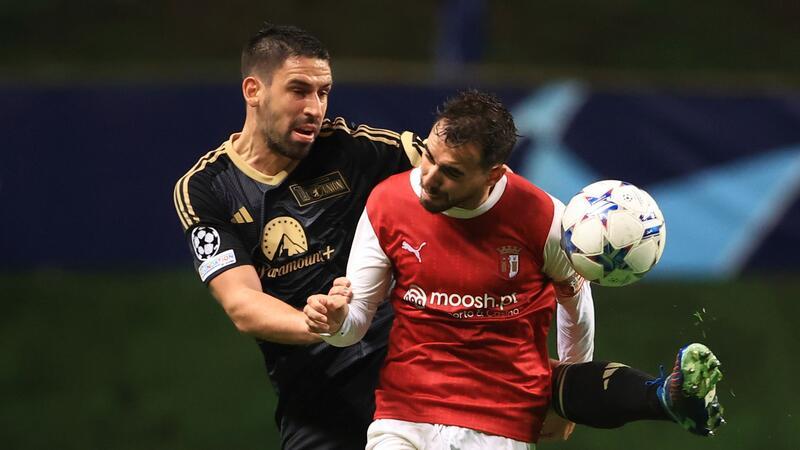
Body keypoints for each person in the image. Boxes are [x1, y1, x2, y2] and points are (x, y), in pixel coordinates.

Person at [304, 90, 725, 449]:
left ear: (494, 174)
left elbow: (575, 306)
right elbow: (352, 327)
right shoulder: (387, 202)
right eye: (428, 157)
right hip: (404, 414)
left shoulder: (542, 218)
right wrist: (335, 322)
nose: (429, 178)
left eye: (451, 172)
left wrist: (566, 402)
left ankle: (664, 398)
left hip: (499, 420)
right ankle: (663, 397)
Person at [173, 23, 426, 449]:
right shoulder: (208, 187)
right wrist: (325, 326)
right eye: (299, 90)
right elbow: (242, 303)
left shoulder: (353, 148)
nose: (315, 108)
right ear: (254, 90)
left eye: (323, 92)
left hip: (404, 375)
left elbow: (461, 168)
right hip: (317, 398)